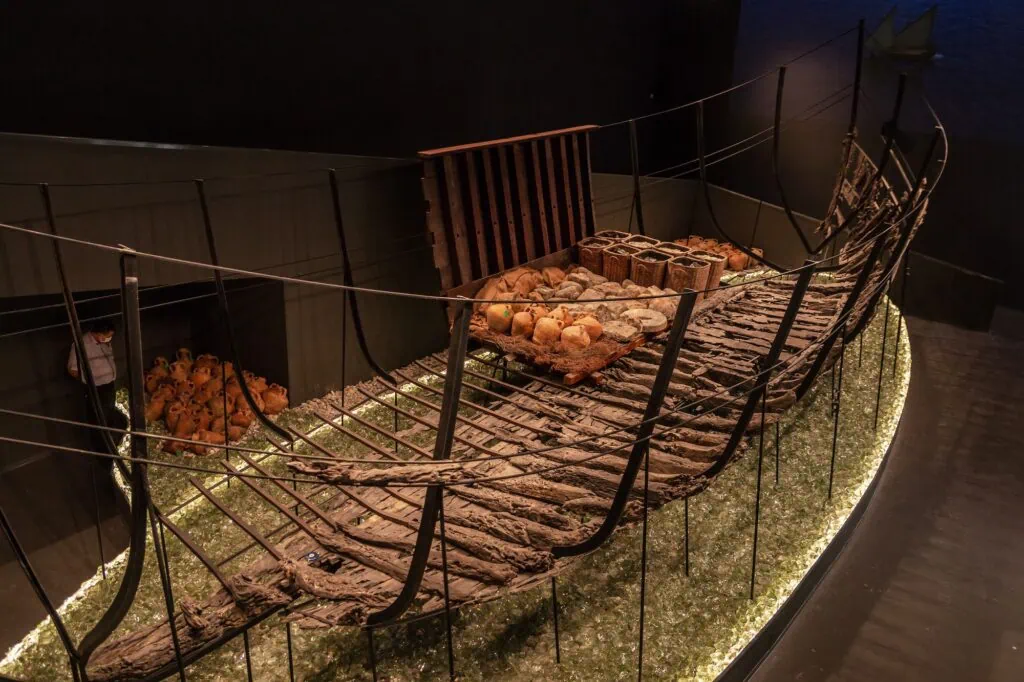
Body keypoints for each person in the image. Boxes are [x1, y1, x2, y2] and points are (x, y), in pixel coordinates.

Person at [68, 319, 126, 454]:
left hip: (109, 385)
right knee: (98, 417)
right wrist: (89, 381)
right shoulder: (81, 345)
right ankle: (101, 449)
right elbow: (72, 369)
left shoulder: (104, 342)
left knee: (109, 411)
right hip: (96, 388)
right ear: (98, 333)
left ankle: (112, 440)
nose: (109, 339)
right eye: (107, 336)